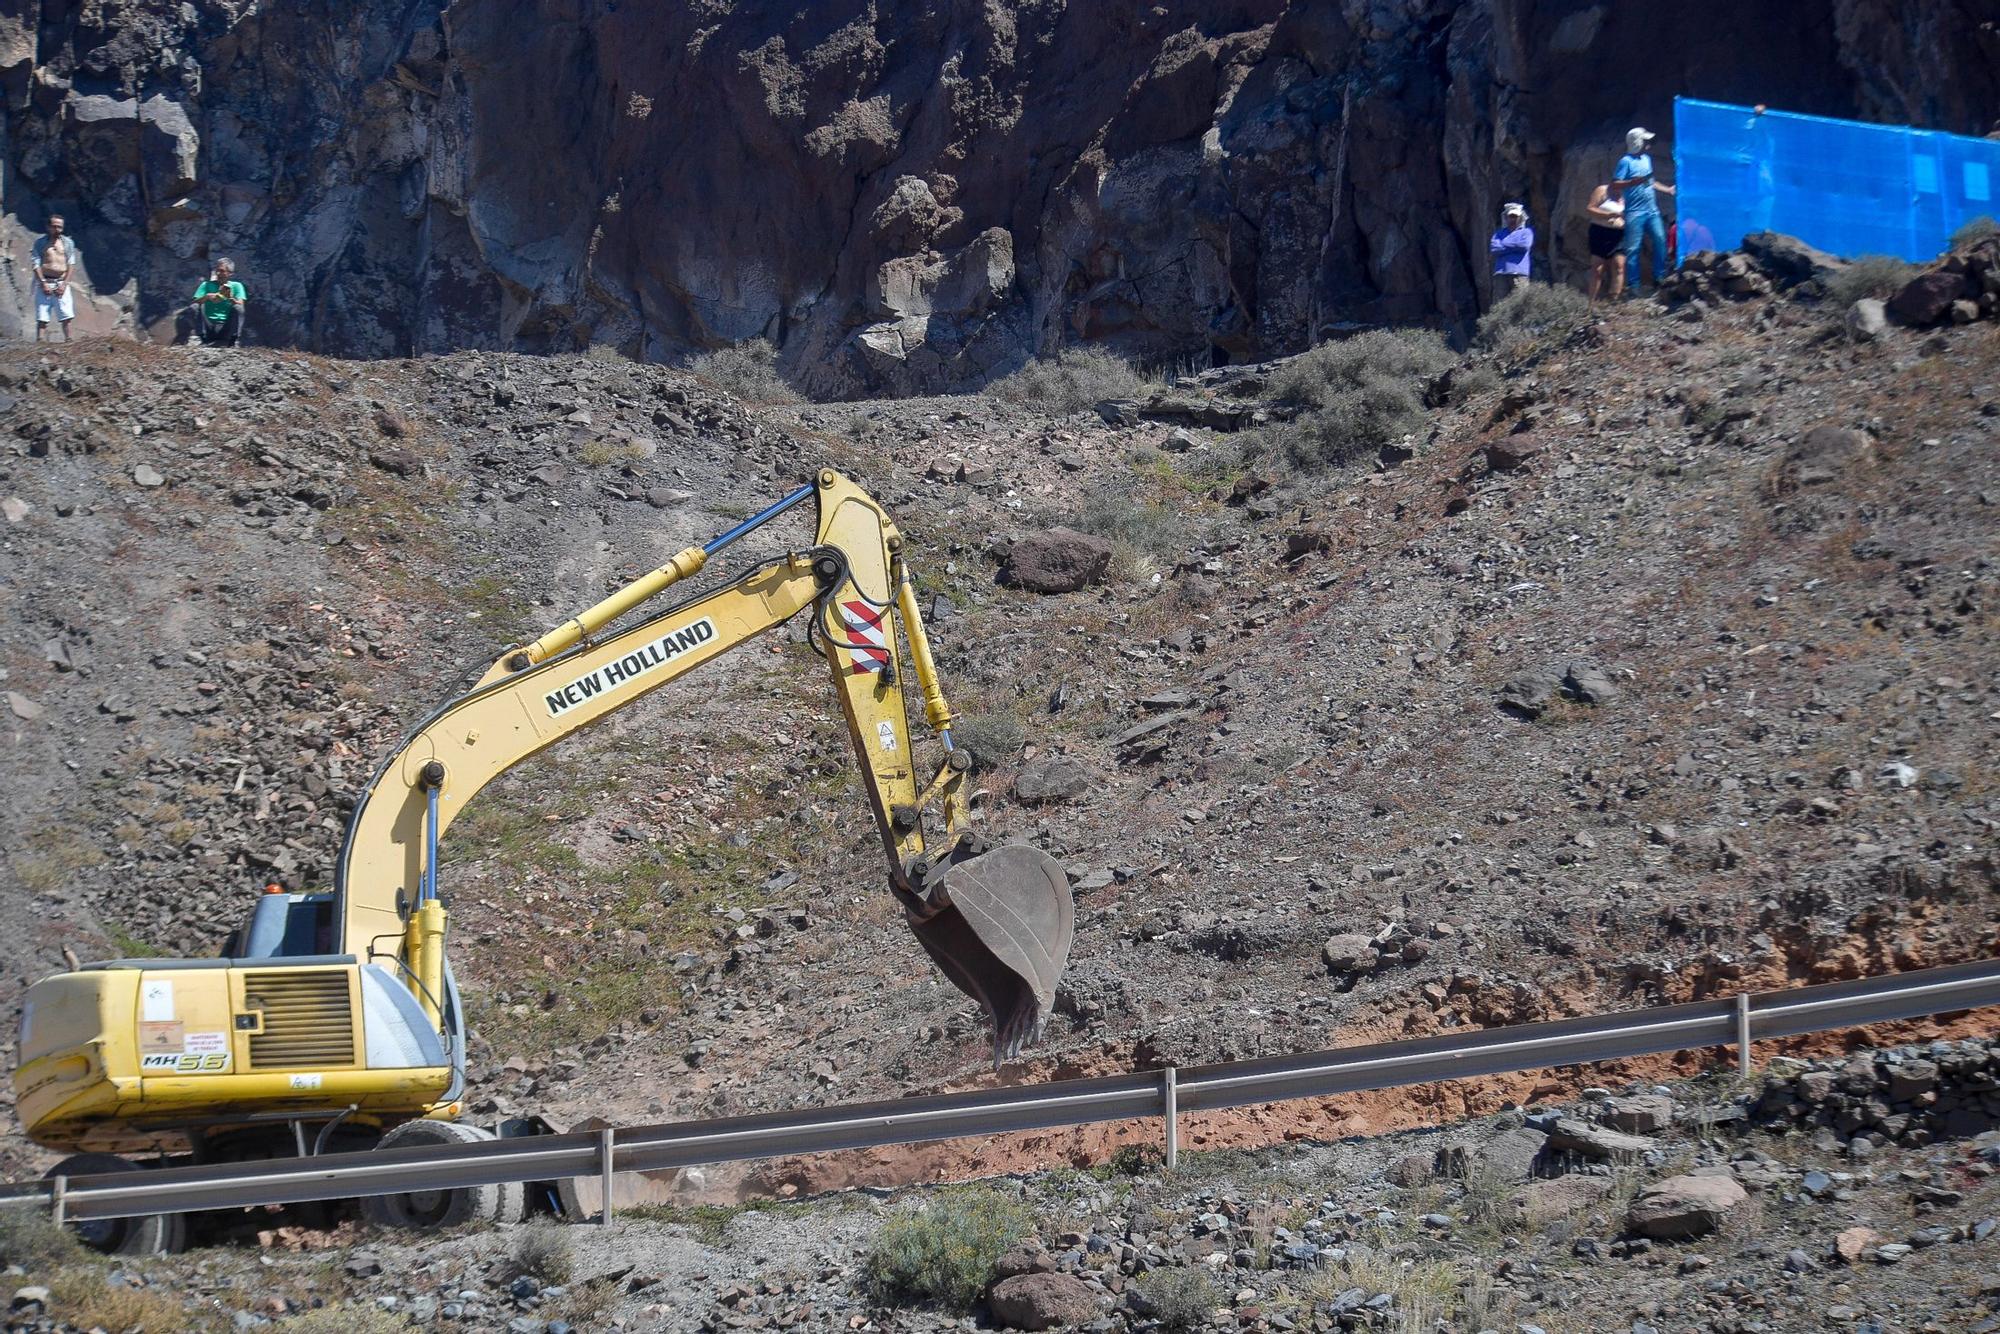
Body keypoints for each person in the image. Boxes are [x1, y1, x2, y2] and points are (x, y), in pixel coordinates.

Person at [1615, 127, 1675, 295]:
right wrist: (1621, 197)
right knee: (1633, 248)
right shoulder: (1625, 162)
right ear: (1637, 142)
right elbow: (1617, 183)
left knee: (1660, 240)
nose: (1648, 144)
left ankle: (1659, 276)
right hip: (1634, 211)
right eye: (1645, 140)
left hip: (1651, 210)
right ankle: (1634, 286)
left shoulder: (1646, 159)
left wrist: (1667, 190)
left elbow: (1650, 181)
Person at [30, 215, 81, 343]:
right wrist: (42, 282)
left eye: (60, 227)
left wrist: (65, 284)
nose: (57, 229)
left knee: (66, 315)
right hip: (45, 282)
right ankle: (40, 340)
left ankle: (69, 340)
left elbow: (71, 264)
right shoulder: (40, 243)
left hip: (61, 282)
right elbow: (36, 264)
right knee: (42, 315)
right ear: (48, 227)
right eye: (54, 226)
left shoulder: (68, 243)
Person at [1584, 179, 1625, 306]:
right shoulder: (1602, 190)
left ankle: (1614, 300)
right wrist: (1608, 215)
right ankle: (1591, 303)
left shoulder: (1629, 194)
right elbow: (1590, 208)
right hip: (1600, 231)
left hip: (1619, 233)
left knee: (1619, 265)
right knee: (1597, 268)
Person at [190, 259, 246, 346]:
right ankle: (203, 338)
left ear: (230, 273)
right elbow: (194, 302)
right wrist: (207, 297)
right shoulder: (206, 285)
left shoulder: (237, 286)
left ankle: (232, 341)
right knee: (195, 306)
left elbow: (240, 304)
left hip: (226, 326)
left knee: (238, 308)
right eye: (217, 270)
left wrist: (231, 298)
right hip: (209, 325)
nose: (218, 274)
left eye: (222, 271)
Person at [1489, 202, 1533, 301]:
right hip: (1501, 273)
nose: (1513, 219)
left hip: (1519, 273)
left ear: (1520, 217)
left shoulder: (1526, 232)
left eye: (1515, 216)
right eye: (1511, 216)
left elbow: (1524, 246)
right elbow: (1494, 249)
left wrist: (1503, 244)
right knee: (1499, 305)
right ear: (1506, 217)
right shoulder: (1499, 233)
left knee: (1521, 304)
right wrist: (1515, 245)